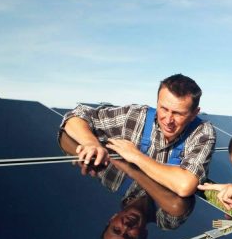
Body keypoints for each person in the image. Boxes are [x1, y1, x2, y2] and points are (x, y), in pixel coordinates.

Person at [59, 74, 215, 197]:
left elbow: (185, 186)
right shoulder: (136, 116)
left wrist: (135, 156)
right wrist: (90, 142)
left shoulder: (202, 133)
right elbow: (77, 114)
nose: (168, 120)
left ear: (194, 113)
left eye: (178, 114)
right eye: (163, 109)